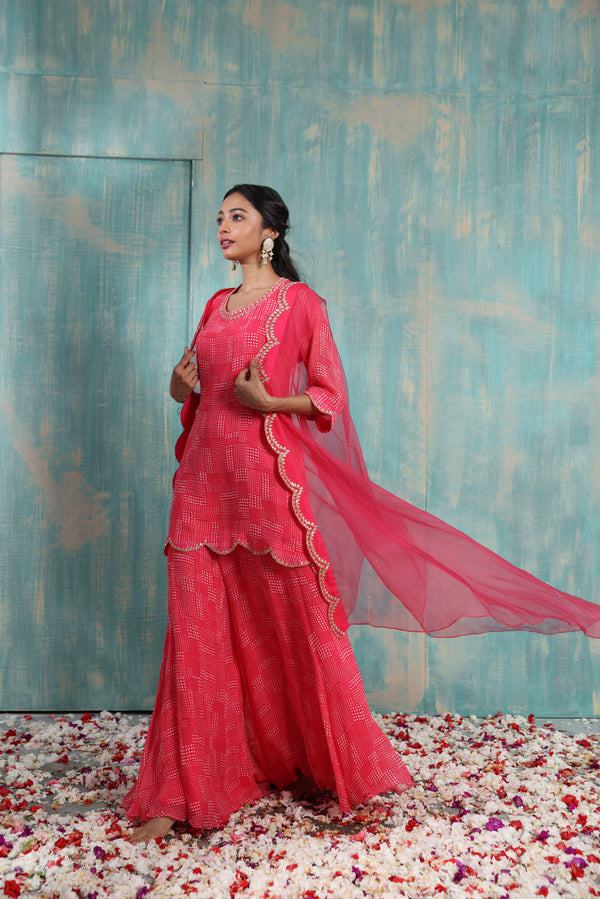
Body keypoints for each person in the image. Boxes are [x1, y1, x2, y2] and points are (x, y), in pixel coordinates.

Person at [125, 184, 600, 843]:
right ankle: (183, 789)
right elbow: (196, 389)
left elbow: (329, 395)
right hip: (203, 489)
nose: (223, 227)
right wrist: (180, 387)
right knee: (196, 637)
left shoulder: (300, 304)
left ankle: (315, 760)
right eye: (219, 218)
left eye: (237, 216)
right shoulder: (214, 305)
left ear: (269, 232)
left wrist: (272, 404)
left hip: (266, 486)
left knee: (298, 627)